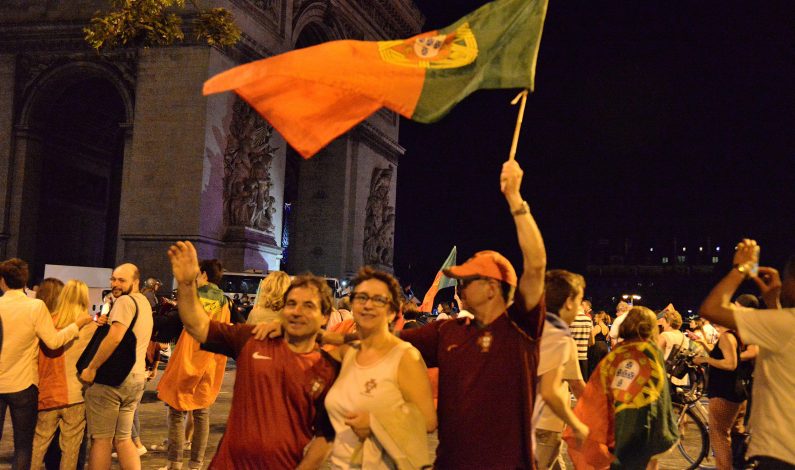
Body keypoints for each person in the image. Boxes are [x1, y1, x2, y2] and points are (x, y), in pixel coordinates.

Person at [395, 159, 547, 468]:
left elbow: (536, 264)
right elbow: (389, 345)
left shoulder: (520, 326)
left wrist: (515, 199)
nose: (459, 289)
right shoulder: (447, 331)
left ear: (492, 287)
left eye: (466, 281)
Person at [168, 240, 337, 469]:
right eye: (292, 304)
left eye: (308, 306)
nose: (297, 312)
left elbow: (326, 436)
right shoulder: (252, 339)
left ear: (325, 316)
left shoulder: (328, 369)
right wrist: (187, 284)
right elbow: (198, 326)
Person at [324, 267, 436, 469]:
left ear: (393, 311)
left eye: (378, 300)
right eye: (361, 297)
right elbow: (304, 358)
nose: (367, 305)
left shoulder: (405, 356)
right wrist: (281, 329)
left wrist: (377, 423)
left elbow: (428, 421)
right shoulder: (348, 353)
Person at [699, 239, 795, 469]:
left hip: (779, 454)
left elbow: (711, 308)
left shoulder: (785, 324)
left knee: (720, 435)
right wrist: (773, 304)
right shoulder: (781, 325)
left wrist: (741, 268)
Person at [0, 259, 92, 470]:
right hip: (27, 385)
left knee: (37, 443)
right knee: (25, 446)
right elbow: (54, 342)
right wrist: (76, 325)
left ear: (2, 281)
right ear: (24, 280)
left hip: (24, 386)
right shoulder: (35, 308)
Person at [565, 307, 679, 470]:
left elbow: (599, 388)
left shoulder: (615, 354)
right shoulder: (651, 351)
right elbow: (658, 393)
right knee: (648, 461)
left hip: (617, 419)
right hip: (644, 419)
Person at [156, 258, 231, 470]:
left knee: (177, 412)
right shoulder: (225, 301)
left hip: (189, 358)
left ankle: (175, 463)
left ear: (204, 275)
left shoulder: (194, 295)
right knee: (201, 413)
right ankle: (196, 464)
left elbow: (178, 322)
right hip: (211, 361)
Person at [80, 263, 154, 470]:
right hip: (136, 377)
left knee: (101, 439)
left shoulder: (124, 302)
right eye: (113, 279)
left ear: (136, 282)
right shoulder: (144, 303)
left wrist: (92, 367)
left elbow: (114, 338)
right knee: (123, 439)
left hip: (114, 380)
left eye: (122, 280)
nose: (115, 284)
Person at [31, 280, 98, 470]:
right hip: (77, 394)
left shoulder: (49, 322)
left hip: (48, 394)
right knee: (71, 449)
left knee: (38, 445)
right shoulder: (91, 327)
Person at [533, 270, 589, 469]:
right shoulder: (560, 338)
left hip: (525, 419)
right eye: (580, 300)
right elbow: (572, 385)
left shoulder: (532, 329)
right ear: (568, 302)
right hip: (546, 423)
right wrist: (578, 424)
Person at [693, 323, 745, 470]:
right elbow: (721, 356)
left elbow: (730, 364)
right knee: (731, 434)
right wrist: (703, 344)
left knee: (720, 437)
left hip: (724, 393)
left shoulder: (726, 337)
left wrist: (705, 360)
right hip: (735, 392)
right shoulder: (732, 335)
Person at [569, 304, 593, 379]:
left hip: (572, 357)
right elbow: (592, 341)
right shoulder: (589, 320)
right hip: (583, 356)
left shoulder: (570, 319)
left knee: (572, 384)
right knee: (583, 381)